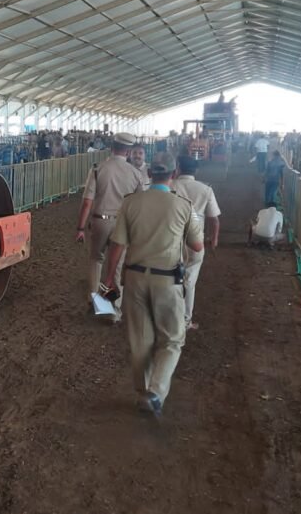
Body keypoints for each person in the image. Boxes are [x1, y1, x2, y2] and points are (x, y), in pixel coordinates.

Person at [101, 159, 204, 418]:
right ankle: (156, 392)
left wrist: (109, 279)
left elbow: (117, 245)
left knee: (140, 340)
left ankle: (142, 391)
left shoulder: (131, 203)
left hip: (134, 278)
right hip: (167, 280)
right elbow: (197, 246)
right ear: (175, 173)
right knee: (171, 339)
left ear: (148, 173)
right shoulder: (183, 206)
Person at [75, 132, 148, 312]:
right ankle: (113, 309)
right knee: (116, 265)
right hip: (122, 224)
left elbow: (87, 202)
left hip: (100, 220)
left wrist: (80, 227)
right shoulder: (136, 174)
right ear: (129, 151)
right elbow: (140, 205)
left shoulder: (97, 169)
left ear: (112, 147)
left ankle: (95, 302)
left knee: (96, 260)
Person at [173, 157, 220, 331]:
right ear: (196, 171)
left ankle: (168, 315)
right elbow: (214, 220)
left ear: (178, 168)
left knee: (170, 277)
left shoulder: (171, 186)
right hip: (195, 238)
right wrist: (214, 240)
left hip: (172, 237)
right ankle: (186, 320)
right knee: (189, 280)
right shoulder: (205, 189)